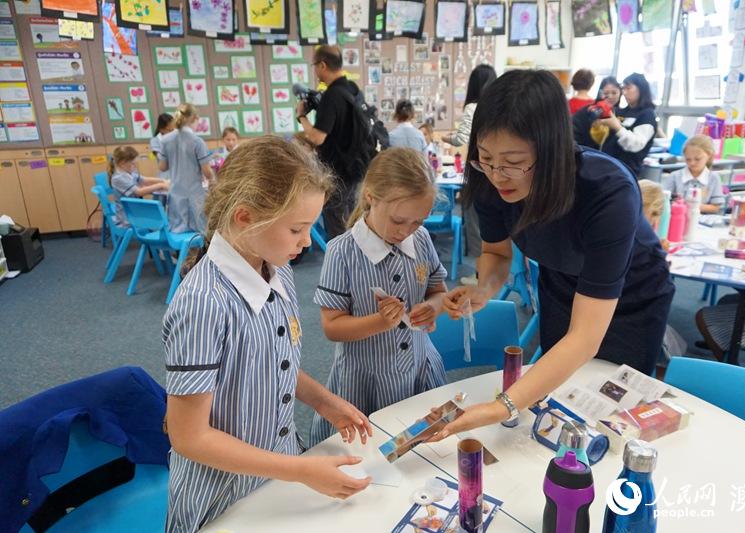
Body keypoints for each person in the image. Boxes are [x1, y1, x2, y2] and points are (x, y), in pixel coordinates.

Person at [429, 70, 674, 441]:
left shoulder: (608, 191)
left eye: (513, 161)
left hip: (632, 293)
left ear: (552, 150)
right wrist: (485, 288)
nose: (498, 175)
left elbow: (586, 337)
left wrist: (503, 406)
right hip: (560, 278)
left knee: (612, 407)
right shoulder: (491, 180)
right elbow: (496, 252)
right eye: (486, 158)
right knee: (559, 400)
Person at [163, 136, 373, 532]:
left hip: (275, 476)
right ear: (245, 217)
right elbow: (188, 436)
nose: (307, 241)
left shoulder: (278, 268)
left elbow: (271, 363)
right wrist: (299, 469)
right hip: (221, 497)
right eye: (297, 228)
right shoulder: (204, 304)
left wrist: (324, 401)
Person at [308, 147, 448, 446]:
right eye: (399, 220)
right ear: (371, 197)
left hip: (419, 370)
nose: (406, 231)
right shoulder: (342, 252)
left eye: (417, 222)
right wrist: (379, 322)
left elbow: (438, 290)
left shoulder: (420, 239)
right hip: (364, 381)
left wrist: (433, 308)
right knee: (371, 454)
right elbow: (332, 326)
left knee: (424, 448)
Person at [296, 45, 371, 239]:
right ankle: (359, 262)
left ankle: (342, 265)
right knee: (355, 220)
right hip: (357, 169)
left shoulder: (332, 96)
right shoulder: (353, 89)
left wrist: (301, 116)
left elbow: (316, 137)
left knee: (337, 226)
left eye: (314, 65)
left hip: (337, 173)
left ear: (322, 65)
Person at [442, 64, 497, 265]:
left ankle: (478, 274)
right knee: (495, 221)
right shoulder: (500, 107)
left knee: (474, 217)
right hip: (499, 170)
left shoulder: (473, 107)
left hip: (478, 169)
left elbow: (461, 139)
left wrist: (447, 139)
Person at [158, 103, 215, 233]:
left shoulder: (165, 139)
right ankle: (197, 253)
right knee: (199, 231)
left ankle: (181, 253)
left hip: (175, 194)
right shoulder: (197, 141)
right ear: (195, 118)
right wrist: (213, 180)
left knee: (178, 230)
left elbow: (162, 167)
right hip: (194, 194)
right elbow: (206, 171)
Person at [597, 73, 657, 176]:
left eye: (628, 88)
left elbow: (636, 144)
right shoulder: (622, 111)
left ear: (641, 88)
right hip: (607, 167)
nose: (624, 93)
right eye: (623, 89)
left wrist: (617, 127)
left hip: (626, 172)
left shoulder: (647, 115)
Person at [661, 134, 725, 213]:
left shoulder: (714, 178)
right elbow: (662, 201)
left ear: (709, 155)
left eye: (697, 159)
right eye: (688, 159)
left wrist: (693, 207)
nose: (692, 163)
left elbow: (716, 207)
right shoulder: (674, 177)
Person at [109, 146, 169, 226]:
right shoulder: (119, 178)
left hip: (133, 210)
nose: (135, 165)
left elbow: (144, 180)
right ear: (122, 163)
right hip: (127, 217)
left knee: (159, 211)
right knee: (159, 214)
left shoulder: (127, 172)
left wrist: (163, 181)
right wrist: (161, 185)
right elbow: (139, 192)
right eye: (132, 163)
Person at [572, 76, 622, 149]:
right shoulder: (590, 110)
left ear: (620, 93)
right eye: (606, 93)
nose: (610, 96)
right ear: (600, 93)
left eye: (614, 93)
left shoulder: (621, 113)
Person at [150, 113, 175, 179]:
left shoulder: (175, 135)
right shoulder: (155, 140)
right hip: (165, 173)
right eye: (172, 122)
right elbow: (160, 157)